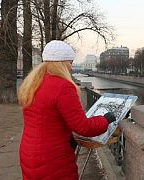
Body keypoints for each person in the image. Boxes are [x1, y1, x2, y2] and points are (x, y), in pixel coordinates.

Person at [18, 40, 116, 180]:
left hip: (29, 152)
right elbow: (83, 127)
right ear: (61, 63)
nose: (71, 67)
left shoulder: (32, 83)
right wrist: (105, 119)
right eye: (70, 62)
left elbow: (46, 119)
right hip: (53, 158)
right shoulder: (63, 87)